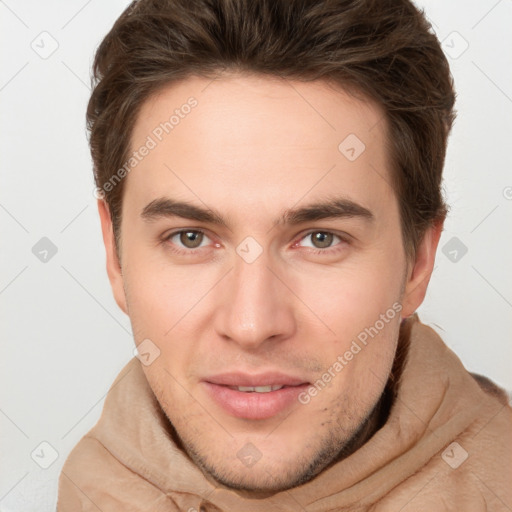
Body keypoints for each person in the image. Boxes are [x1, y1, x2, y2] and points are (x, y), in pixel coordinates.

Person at [57, 0, 512, 510]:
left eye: (321, 238)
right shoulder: (90, 490)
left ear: (418, 262)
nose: (252, 325)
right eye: (190, 237)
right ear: (114, 256)